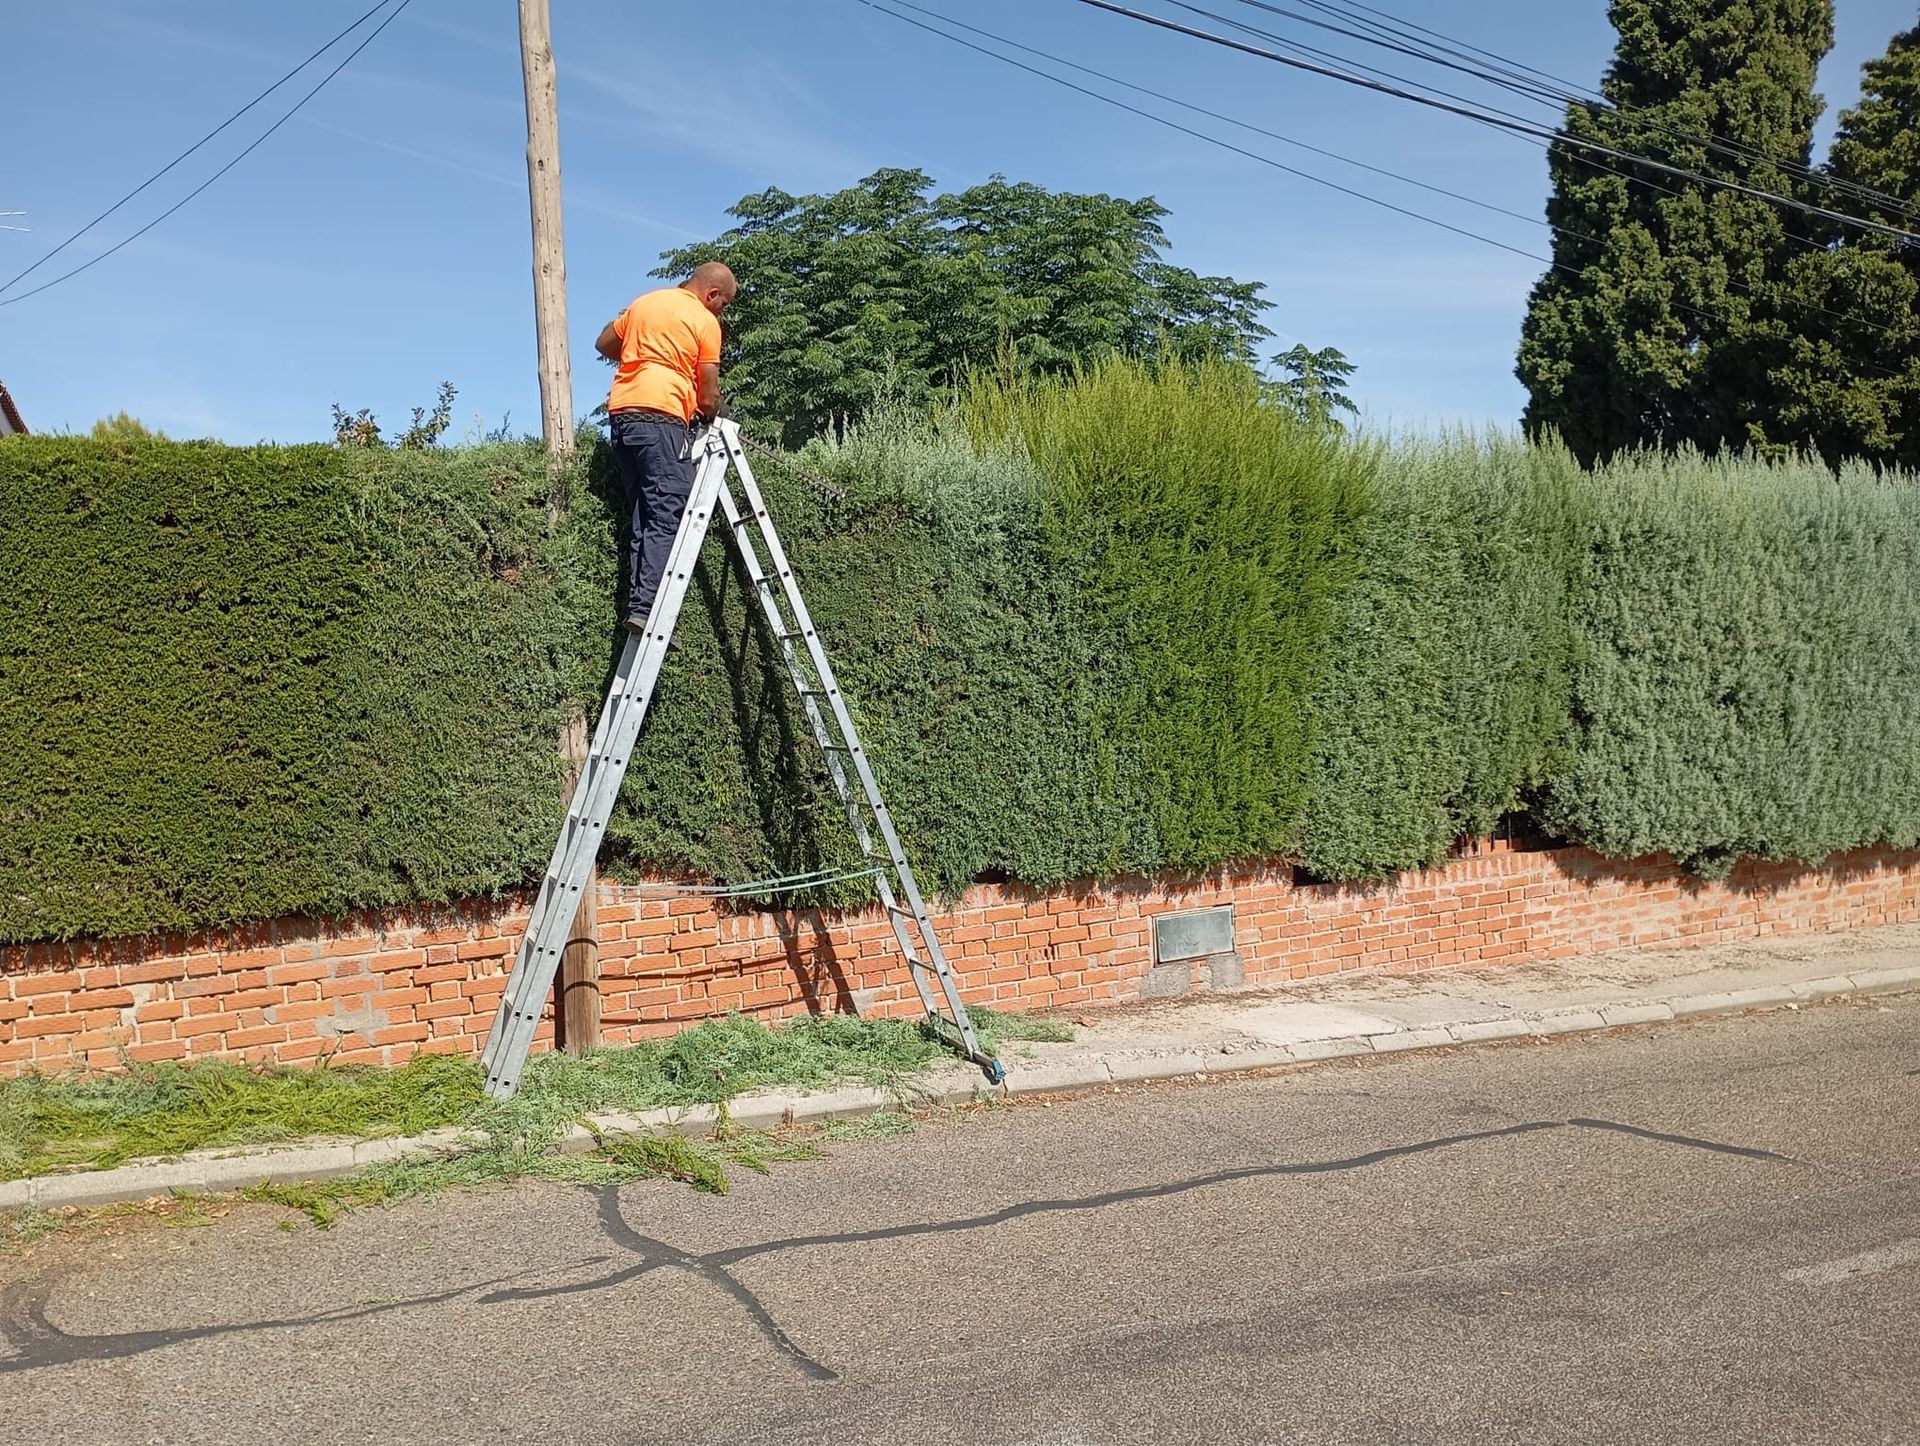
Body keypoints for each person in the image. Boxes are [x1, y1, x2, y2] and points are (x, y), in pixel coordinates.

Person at [595, 261, 738, 635]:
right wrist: (714, 411)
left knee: (645, 513)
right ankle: (648, 611)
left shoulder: (646, 302)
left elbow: (604, 343)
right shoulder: (706, 322)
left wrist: (645, 358)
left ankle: (639, 605)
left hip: (623, 415)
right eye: (723, 303)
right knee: (666, 514)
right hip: (662, 416)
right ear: (711, 295)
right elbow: (707, 393)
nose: (721, 311)